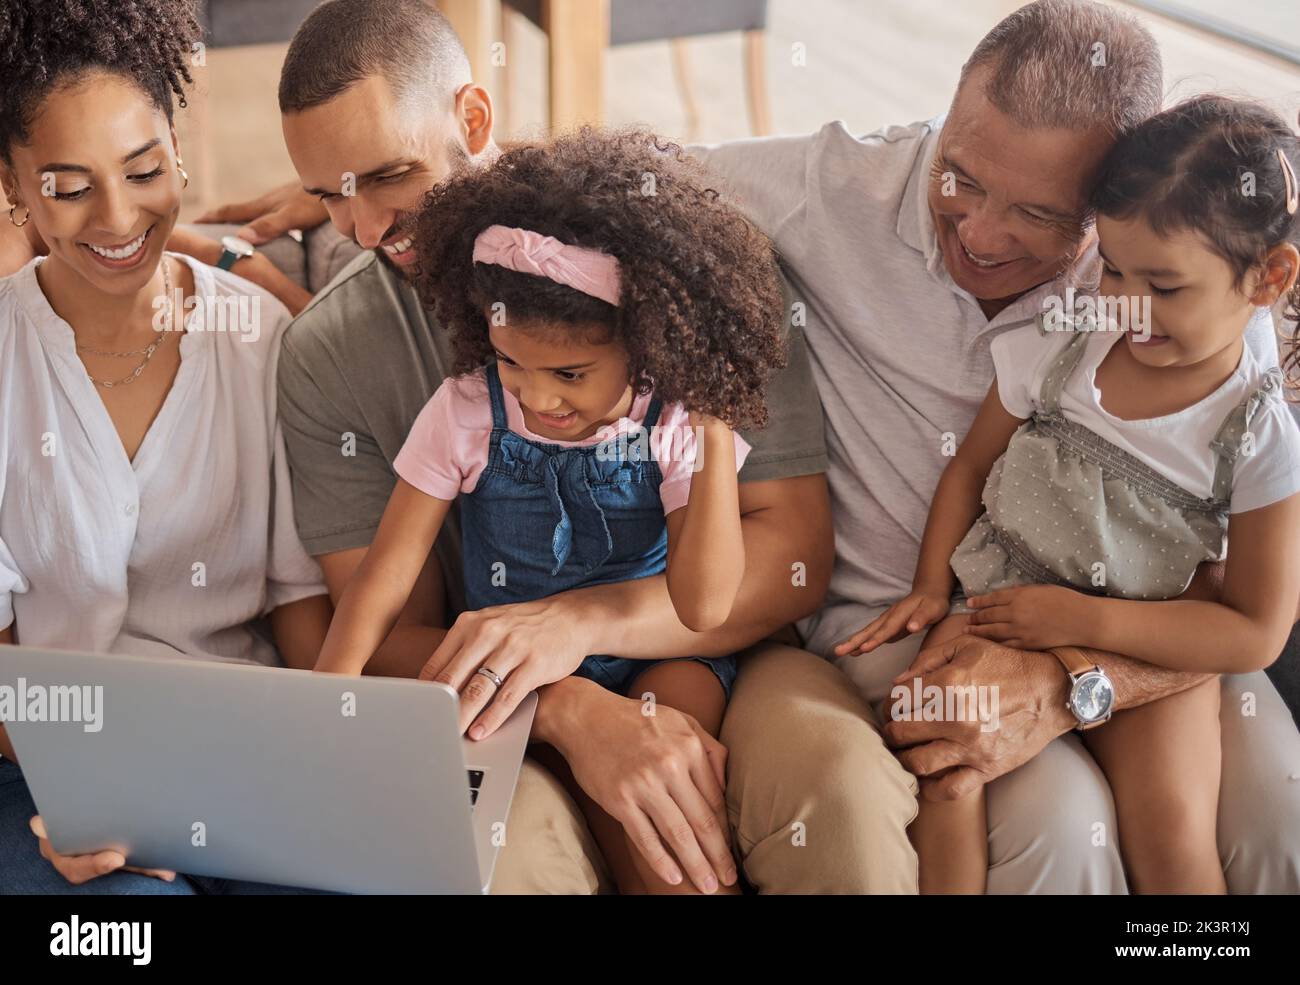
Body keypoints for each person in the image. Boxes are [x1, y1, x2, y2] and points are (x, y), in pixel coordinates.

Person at [215, 0, 916, 893]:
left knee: (835, 802)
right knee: (520, 863)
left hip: (713, 655)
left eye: (389, 177)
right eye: (326, 196)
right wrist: (565, 705)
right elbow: (385, 623)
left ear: (472, 119)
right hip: (493, 702)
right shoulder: (336, 355)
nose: (360, 230)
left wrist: (579, 625)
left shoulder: (685, 274)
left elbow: (789, 563)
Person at [689, 0, 1300, 891]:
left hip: (1143, 635)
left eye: (1038, 213)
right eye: (961, 177)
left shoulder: (1178, 277)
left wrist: (1074, 678)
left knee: (1279, 811)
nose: (977, 233)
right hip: (932, 621)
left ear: (1107, 203)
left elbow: (1242, 608)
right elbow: (630, 179)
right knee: (1065, 831)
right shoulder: (830, 187)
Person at [840, 95, 1300, 894]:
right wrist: (928, 586)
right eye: (1115, 269)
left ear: (1269, 280)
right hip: (994, 609)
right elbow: (969, 466)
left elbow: (1257, 630)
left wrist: (1084, 623)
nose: (1131, 307)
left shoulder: (1257, 433)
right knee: (944, 770)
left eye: (1165, 286)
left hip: (1142, 646)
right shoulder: (1066, 341)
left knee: (1173, 840)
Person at [317, 129, 790, 892]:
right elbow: (383, 577)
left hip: (659, 661)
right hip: (516, 676)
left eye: (570, 372)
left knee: (664, 827)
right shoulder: (469, 406)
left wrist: (709, 421)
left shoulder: (673, 420)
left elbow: (703, 605)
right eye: (513, 361)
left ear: (646, 345)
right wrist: (325, 703)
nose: (537, 396)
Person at [0, 0, 331, 893]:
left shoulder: (256, 337)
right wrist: (101, 779)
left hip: (246, 748)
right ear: (13, 185)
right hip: (41, 763)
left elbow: (301, 601)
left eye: (144, 170)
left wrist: (336, 758)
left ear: (177, 149)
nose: (117, 218)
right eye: (68, 187)